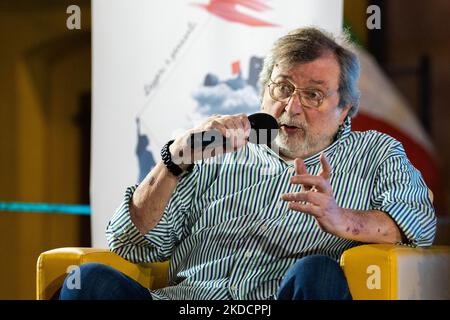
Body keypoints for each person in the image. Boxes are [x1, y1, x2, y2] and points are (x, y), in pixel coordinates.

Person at [60, 27, 436, 300]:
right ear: (263, 90)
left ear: (344, 109)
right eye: (283, 88)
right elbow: (130, 245)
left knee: (318, 272)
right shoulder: (215, 150)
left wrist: (341, 219)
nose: (291, 107)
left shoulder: (375, 153)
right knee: (90, 280)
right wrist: (173, 161)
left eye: (313, 95)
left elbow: (418, 223)